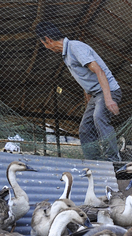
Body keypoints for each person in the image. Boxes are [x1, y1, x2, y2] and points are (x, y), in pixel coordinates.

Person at [35, 21, 122, 161]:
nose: (45, 47)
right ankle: (95, 162)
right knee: (85, 129)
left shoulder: (75, 47)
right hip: (95, 95)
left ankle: (114, 160)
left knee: (99, 117)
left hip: (108, 90)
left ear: (48, 40)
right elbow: (86, 80)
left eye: (44, 44)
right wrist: (89, 102)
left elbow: (98, 71)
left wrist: (108, 98)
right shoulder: (66, 55)